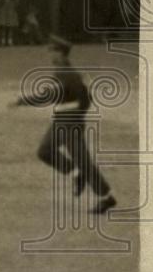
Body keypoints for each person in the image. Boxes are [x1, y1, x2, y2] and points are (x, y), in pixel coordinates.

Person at [11, 35, 116, 214]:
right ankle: (76, 173)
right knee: (44, 151)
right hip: (61, 121)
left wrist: (23, 101)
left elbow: (82, 98)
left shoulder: (66, 73)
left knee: (83, 160)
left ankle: (106, 198)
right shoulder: (61, 72)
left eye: (53, 51)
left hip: (69, 123)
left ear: (61, 54)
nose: (51, 55)